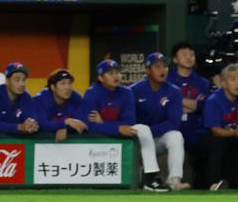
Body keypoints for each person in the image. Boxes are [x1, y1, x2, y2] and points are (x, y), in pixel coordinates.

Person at [83, 59, 169, 193]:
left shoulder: (126, 92)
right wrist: (115, 127)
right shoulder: (92, 93)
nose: (116, 76)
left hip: (119, 133)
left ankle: (150, 179)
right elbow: (89, 126)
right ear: (101, 78)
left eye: (117, 72)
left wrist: (105, 123)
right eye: (110, 73)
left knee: (143, 129)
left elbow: (129, 121)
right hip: (98, 138)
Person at [130, 53, 189, 191]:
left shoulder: (174, 92)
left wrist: (150, 132)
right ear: (147, 70)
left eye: (165, 66)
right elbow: (130, 120)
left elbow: (174, 123)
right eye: (157, 67)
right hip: (137, 142)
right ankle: (148, 178)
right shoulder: (134, 90)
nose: (162, 70)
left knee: (175, 135)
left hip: (157, 139)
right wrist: (145, 133)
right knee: (141, 128)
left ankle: (174, 180)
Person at [199, 64, 238, 191]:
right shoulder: (213, 100)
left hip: (232, 134)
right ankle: (214, 184)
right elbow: (214, 131)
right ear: (224, 84)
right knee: (219, 143)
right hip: (209, 139)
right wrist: (235, 133)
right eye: (232, 79)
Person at [167, 42, 211, 150]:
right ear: (175, 59)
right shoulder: (166, 81)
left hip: (197, 130)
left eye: (192, 54)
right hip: (172, 129)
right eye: (184, 54)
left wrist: (177, 101)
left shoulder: (203, 82)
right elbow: (165, 105)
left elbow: (203, 106)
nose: (189, 58)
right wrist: (192, 104)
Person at [0, 63, 39, 136]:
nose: (22, 84)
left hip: (9, 138)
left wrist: (32, 125)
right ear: (7, 81)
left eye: (24, 80)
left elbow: (32, 119)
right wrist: (21, 127)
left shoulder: (26, 97)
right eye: (17, 80)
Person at [33, 69, 88, 142]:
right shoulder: (41, 99)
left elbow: (82, 124)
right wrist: (65, 123)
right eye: (63, 83)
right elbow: (40, 124)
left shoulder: (76, 98)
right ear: (53, 87)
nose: (67, 87)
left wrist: (64, 128)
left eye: (69, 83)